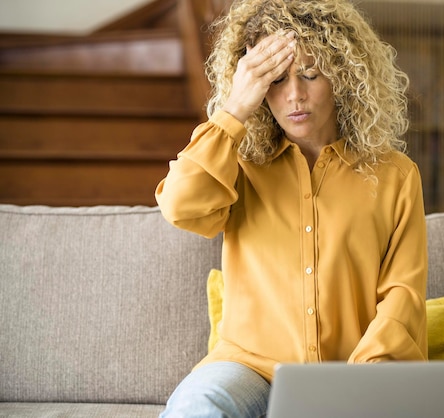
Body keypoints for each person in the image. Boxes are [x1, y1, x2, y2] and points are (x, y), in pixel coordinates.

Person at [155, 0, 428, 416]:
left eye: (310, 75)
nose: (294, 95)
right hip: (247, 369)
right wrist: (234, 110)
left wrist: (364, 382)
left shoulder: (395, 175)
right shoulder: (237, 163)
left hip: (351, 373)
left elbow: (402, 295)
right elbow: (179, 206)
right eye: (276, 80)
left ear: (342, 76)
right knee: (199, 404)